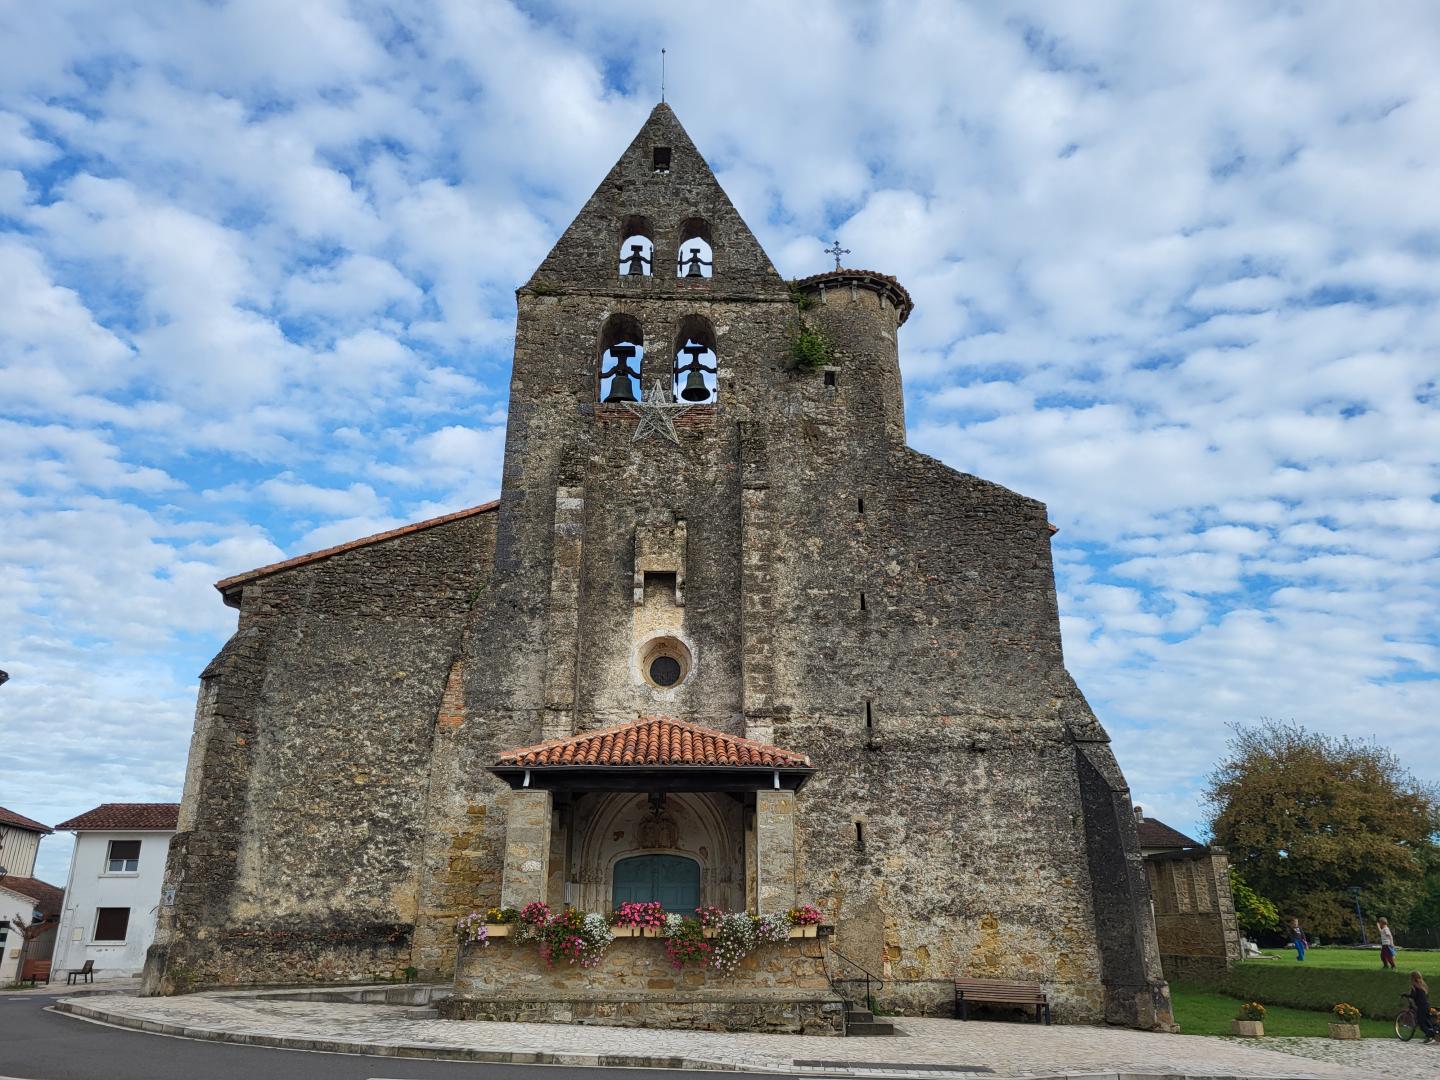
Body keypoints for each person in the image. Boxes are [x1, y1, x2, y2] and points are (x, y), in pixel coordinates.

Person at [1406, 971, 1436, 1043]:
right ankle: (1433, 1034)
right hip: (1427, 1005)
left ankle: (1429, 1036)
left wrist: (1406, 995)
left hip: (1421, 1007)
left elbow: (1413, 996)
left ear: (1413, 978)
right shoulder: (1423, 986)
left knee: (1421, 1023)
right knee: (1427, 1021)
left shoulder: (1414, 986)